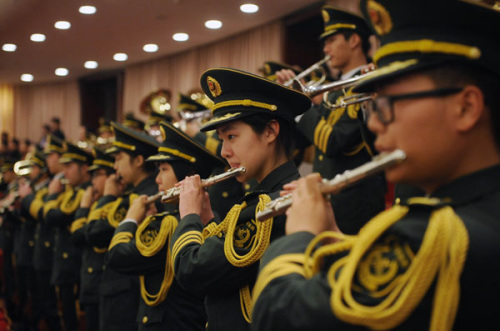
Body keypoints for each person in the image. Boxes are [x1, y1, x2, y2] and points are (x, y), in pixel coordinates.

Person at [251, 0, 500, 330]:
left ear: (466, 107)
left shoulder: (436, 236)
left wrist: (301, 235)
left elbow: (278, 315)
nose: (375, 125)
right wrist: (332, 237)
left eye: (387, 104)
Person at [170, 68, 311, 331]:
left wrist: (188, 215)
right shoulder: (266, 198)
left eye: (231, 136)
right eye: (222, 139)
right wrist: (207, 218)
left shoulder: (271, 206)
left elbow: (192, 270)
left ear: (270, 131)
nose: (224, 151)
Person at [277, 5, 386, 235]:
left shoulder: (365, 83)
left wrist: (303, 107)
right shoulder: (332, 90)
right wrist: (287, 104)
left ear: (354, 40)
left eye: (332, 41)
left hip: (356, 204)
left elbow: (334, 142)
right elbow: (300, 144)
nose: (325, 49)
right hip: (329, 200)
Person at [106, 120, 226, 330]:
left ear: (185, 177)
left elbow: (116, 256)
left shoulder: (170, 224)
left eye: (163, 169)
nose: (158, 179)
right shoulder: (209, 218)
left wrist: (131, 219)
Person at [85, 122, 161, 331]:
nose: (115, 166)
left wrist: (108, 195)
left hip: (126, 296)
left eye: (118, 158)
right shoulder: (131, 194)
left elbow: (94, 232)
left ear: (138, 160)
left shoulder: (141, 198)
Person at [44, 141, 93, 331]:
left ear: (85, 168)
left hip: (75, 266)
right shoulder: (72, 191)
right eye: (63, 166)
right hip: (65, 265)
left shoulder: (85, 192)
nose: (65, 172)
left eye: (69, 166)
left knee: (75, 321)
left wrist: (51, 196)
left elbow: (53, 217)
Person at [70, 148, 115, 331]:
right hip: (91, 283)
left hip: (101, 285)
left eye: (99, 174)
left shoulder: (109, 203)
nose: (93, 180)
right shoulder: (99, 202)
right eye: (93, 174)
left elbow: (80, 235)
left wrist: (83, 207)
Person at [18, 147, 62, 330]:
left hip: (51, 252)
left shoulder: (56, 185)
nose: (33, 171)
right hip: (39, 251)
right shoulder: (48, 184)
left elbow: (46, 214)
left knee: (51, 306)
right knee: (40, 299)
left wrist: (27, 198)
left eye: (51, 156)